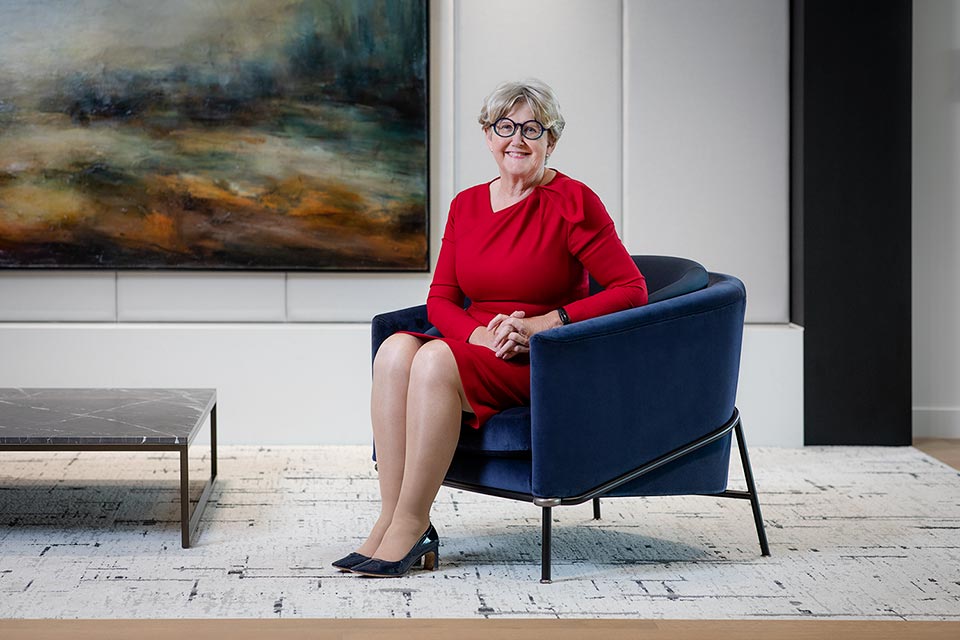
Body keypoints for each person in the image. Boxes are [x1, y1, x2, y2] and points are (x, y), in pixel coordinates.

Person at [334, 79, 648, 577]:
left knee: (434, 358)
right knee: (395, 350)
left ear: (551, 140)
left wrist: (545, 324)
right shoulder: (466, 205)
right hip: (475, 348)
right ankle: (390, 519)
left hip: (538, 360)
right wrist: (475, 336)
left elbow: (631, 289)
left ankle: (412, 524)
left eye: (532, 128)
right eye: (505, 127)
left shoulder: (573, 202)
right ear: (488, 134)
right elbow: (440, 299)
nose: (517, 139)